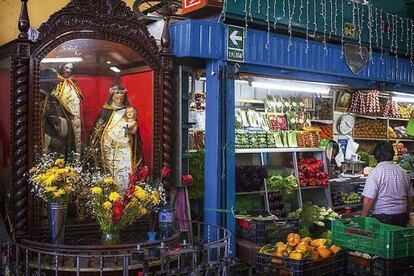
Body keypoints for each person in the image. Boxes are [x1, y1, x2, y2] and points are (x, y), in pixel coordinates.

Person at [89, 85, 143, 192]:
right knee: (110, 170)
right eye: (116, 98)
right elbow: (98, 129)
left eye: (121, 99)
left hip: (124, 147)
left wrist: (132, 131)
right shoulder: (105, 110)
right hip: (108, 145)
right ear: (112, 96)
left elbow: (134, 127)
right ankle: (110, 192)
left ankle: (125, 192)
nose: (119, 101)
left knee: (124, 170)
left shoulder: (128, 110)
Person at [361, 142, 414, 227]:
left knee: (383, 240)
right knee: (398, 239)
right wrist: (407, 213)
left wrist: (363, 217)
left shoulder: (375, 173)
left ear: (376, 156)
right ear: (392, 154)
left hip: (382, 218)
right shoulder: (403, 172)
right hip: (401, 215)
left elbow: (369, 199)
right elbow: (411, 196)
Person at [40, 63, 83, 155]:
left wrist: (60, 122)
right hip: (46, 141)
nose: (55, 83)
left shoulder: (52, 98)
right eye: (53, 80)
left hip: (58, 139)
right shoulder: (39, 98)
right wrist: (49, 140)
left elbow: (61, 115)